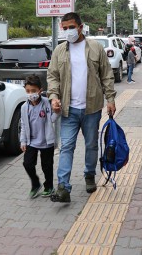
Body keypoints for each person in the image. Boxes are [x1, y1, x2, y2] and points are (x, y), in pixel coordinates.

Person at [47, 12, 117, 203]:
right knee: (66, 147)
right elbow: (52, 76)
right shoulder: (59, 51)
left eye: (71, 27)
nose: (68, 31)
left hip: (91, 108)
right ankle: (63, 187)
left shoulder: (95, 48)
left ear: (80, 26)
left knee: (91, 145)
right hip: (68, 109)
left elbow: (107, 75)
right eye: (65, 28)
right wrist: (53, 97)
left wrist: (110, 99)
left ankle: (89, 175)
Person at [20, 75, 58, 198]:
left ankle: (49, 186)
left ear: (40, 90)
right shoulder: (24, 107)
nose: (31, 94)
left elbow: (52, 119)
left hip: (46, 141)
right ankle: (35, 184)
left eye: (34, 91)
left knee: (47, 166)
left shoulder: (47, 103)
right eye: (28, 91)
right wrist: (23, 141)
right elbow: (23, 125)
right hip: (31, 142)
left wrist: (57, 111)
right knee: (27, 163)